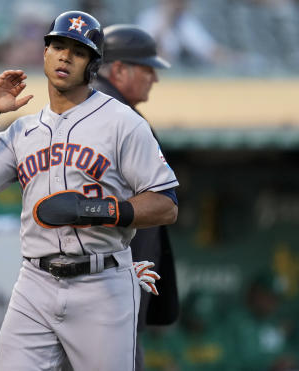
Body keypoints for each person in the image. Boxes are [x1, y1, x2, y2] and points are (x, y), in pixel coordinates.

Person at [0, 10, 179, 370]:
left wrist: (101, 211)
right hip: (35, 282)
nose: (65, 56)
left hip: (102, 282)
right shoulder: (22, 131)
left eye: (77, 51)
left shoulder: (124, 122)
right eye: (58, 46)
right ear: (44, 53)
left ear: (93, 64)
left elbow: (166, 204)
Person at [92, 24, 179, 371]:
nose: (154, 79)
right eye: (147, 69)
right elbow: (161, 204)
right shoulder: (119, 117)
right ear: (118, 69)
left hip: (98, 278)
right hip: (109, 280)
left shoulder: (96, 109)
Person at [136, 0, 233, 68]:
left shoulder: (185, 21)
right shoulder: (149, 18)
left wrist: (233, 59)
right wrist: (165, 22)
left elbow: (208, 50)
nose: (180, 3)